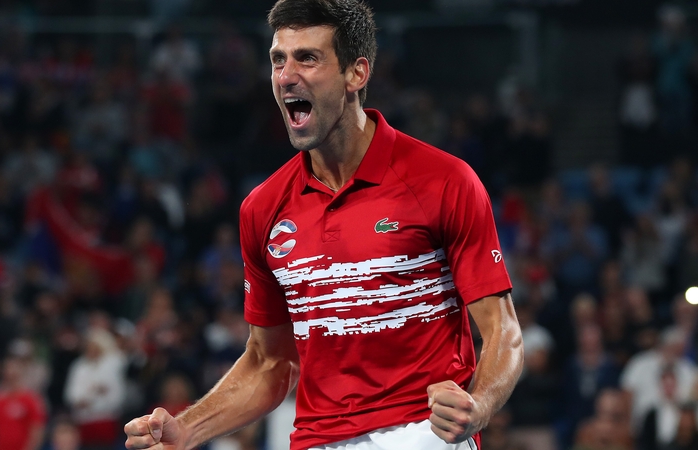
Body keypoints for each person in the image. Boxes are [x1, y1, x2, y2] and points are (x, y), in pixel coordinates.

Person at [124, 0, 523, 449]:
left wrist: (480, 405)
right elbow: (268, 363)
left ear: (357, 73)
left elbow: (503, 332)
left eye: (307, 58)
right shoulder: (262, 208)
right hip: (315, 439)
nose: (286, 75)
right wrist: (186, 429)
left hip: (421, 431)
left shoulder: (444, 181)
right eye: (278, 59)